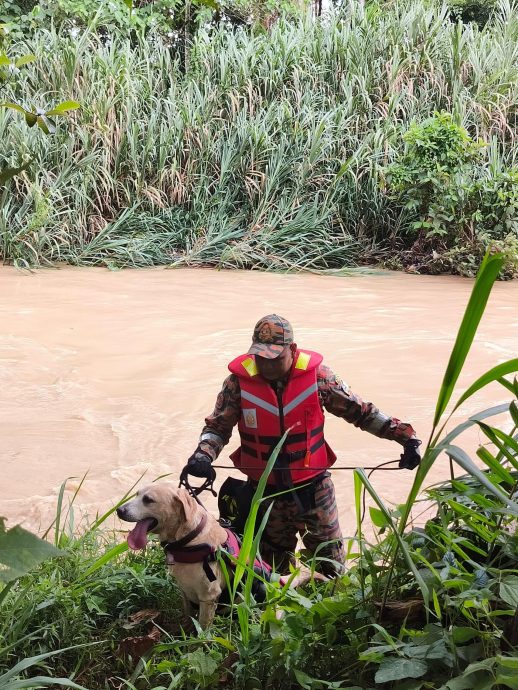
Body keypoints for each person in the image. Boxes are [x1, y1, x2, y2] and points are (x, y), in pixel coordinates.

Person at [181, 314, 421, 576]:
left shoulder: (319, 378)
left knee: (330, 568)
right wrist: (202, 455)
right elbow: (217, 427)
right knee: (268, 572)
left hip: (314, 492)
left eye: (274, 358)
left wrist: (405, 438)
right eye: (260, 357)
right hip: (264, 493)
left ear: (292, 350)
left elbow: (362, 413)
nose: (266, 365)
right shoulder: (237, 383)